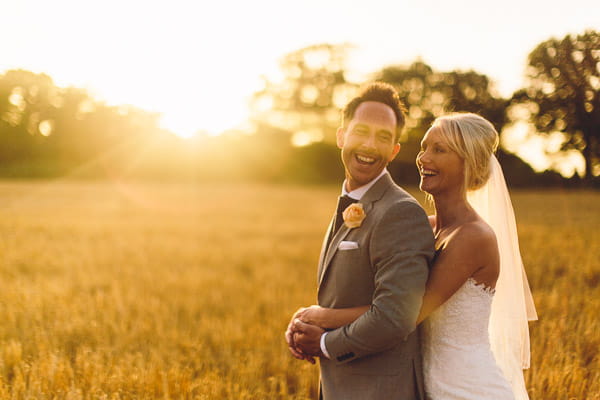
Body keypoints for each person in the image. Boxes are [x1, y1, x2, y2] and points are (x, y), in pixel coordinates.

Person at [289, 113, 538, 400]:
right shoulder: (425, 226)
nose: (423, 158)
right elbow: (384, 299)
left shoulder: (474, 237)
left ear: (468, 162)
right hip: (420, 384)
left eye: (439, 150)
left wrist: (320, 319)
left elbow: (405, 313)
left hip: (466, 388)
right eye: (424, 147)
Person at [285, 82, 435, 399]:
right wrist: (303, 322)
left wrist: (323, 343)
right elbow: (344, 298)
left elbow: (395, 317)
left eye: (383, 137)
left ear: (394, 150)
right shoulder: (350, 201)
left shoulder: (400, 212)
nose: (369, 145)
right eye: (361, 132)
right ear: (341, 135)